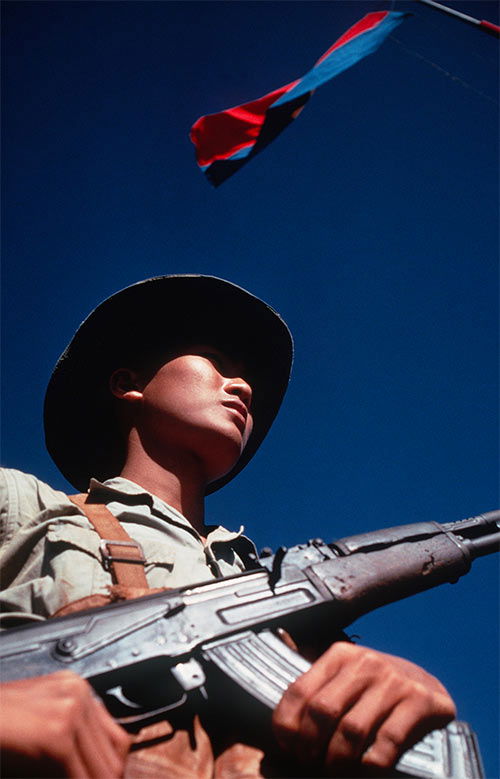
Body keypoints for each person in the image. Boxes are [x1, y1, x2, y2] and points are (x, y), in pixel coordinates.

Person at [0, 275, 455, 778]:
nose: (243, 386)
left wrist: (402, 698)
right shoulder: (28, 506)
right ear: (128, 384)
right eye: (215, 360)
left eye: (244, 376)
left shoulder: (275, 587)